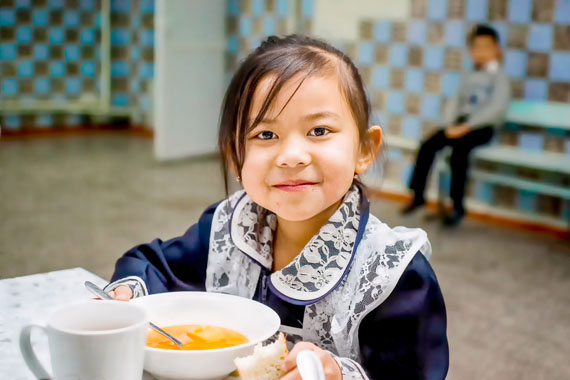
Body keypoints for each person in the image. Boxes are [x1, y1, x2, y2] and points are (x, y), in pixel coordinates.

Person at [104, 35, 449, 380]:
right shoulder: (228, 228)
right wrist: (125, 297)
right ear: (234, 156)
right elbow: (152, 264)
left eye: (319, 130)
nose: (291, 156)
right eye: (266, 135)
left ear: (364, 149)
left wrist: (339, 375)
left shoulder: (395, 277)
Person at [402, 24, 510, 226]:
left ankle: (457, 205)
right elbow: (455, 102)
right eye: (477, 48)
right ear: (471, 52)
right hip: (458, 125)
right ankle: (418, 195)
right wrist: (447, 125)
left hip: (480, 128)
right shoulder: (469, 76)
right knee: (427, 145)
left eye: (487, 47)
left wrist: (468, 126)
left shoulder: (500, 78)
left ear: (497, 50)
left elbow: (496, 109)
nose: (482, 52)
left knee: (459, 153)